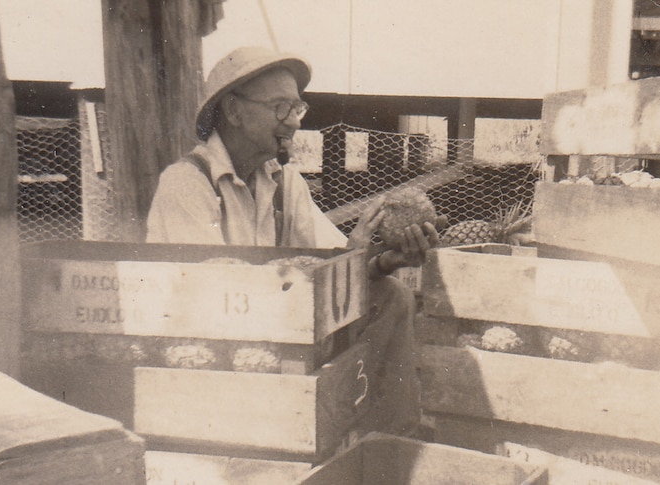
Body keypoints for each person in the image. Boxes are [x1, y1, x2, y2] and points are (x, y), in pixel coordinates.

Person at [146, 46, 443, 436]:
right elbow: (210, 298)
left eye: (297, 108)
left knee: (391, 296)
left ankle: (389, 450)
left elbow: (333, 259)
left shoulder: (284, 183)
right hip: (214, 342)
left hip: (282, 323)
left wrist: (382, 259)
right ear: (234, 111)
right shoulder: (186, 185)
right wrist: (342, 263)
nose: (293, 122)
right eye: (280, 107)